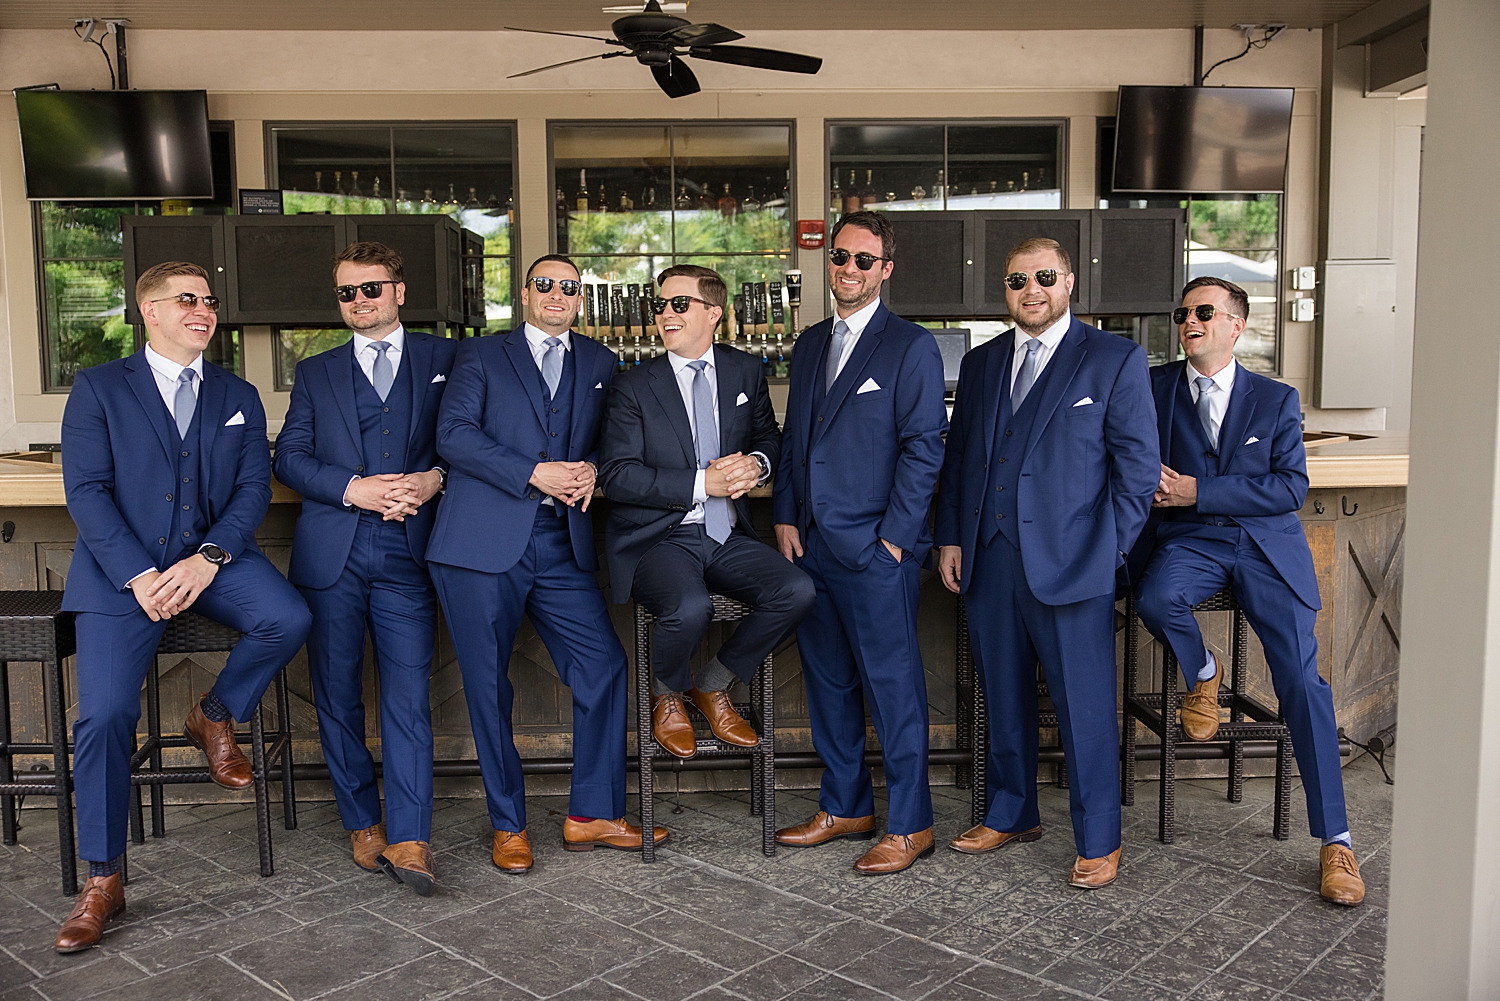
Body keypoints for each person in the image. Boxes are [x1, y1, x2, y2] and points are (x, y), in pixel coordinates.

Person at [56, 262, 312, 951]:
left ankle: (214, 712)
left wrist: (209, 557)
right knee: (105, 713)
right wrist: (140, 574)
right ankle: (104, 877)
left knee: (287, 616)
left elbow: (253, 489)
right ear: (150, 311)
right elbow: (85, 490)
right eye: (186, 299)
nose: (203, 310)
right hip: (122, 576)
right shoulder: (101, 388)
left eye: (209, 300)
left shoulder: (238, 393)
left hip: (212, 560)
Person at [1128, 276, 1365, 906]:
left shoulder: (1276, 399)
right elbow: (1120, 448)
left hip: (1264, 544)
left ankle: (1337, 841)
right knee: (1154, 600)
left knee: (1301, 685)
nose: (1189, 322)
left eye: (1204, 312)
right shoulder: (1152, 388)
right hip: (1190, 543)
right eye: (1182, 313)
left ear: (1237, 325)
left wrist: (1197, 490)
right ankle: (1205, 671)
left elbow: (1289, 488)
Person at [425, 254, 664, 873]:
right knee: (487, 684)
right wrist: (532, 472)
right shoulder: (479, 355)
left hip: (562, 543)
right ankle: (508, 824)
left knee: (603, 665)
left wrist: (590, 470)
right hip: (480, 545)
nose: (558, 294)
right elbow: (452, 435)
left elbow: (610, 445)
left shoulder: (602, 362)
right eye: (545, 285)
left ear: (580, 299)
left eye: (570, 287)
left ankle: (592, 814)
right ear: (525, 294)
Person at [935, 237, 1158, 890]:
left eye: (1043, 276)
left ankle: (1098, 839)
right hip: (990, 555)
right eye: (1016, 279)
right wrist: (951, 536)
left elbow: (1137, 468)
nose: (1030, 289)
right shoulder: (980, 365)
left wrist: (1107, 548)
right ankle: (1012, 811)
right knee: (1001, 696)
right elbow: (961, 463)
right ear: (1003, 289)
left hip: (1074, 563)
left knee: (1083, 706)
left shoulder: (1114, 358)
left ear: (1068, 282)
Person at [272, 242, 456, 895]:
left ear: (400, 291)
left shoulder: (446, 359)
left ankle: (410, 836)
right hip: (335, 554)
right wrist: (354, 487)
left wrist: (434, 478)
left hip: (412, 552)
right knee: (338, 693)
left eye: (371, 289)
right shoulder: (316, 371)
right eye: (347, 292)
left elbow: (471, 439)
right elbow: (289, 457)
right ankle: (362, 819)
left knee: (409, 697)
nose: (360, 302)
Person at [771, 211, 948, 874]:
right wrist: (785, 515)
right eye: (840, 257)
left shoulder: (910, 346)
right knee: (829, 683)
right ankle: (845, 805)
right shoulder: (811, 342)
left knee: (893, 688)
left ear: (886, 269)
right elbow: (795, 440)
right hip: (811, 548)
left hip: (876, 552)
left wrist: (895, 542)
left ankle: (911, 823)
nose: (849, 269)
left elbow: (922, 450)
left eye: (863, 260)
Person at [599, 264, 814, 763]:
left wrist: (757, 465)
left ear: (713, 312)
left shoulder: (744, 371)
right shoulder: (632, 386)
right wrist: (702, 483)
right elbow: (617, 474)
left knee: (798, 591)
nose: (665, 315)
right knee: (690, 608)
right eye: (660, 306)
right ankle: (667, 695)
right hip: (659, 536)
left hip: (727, 533)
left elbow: (769, 439)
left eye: (679, 304)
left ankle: (713, 686)